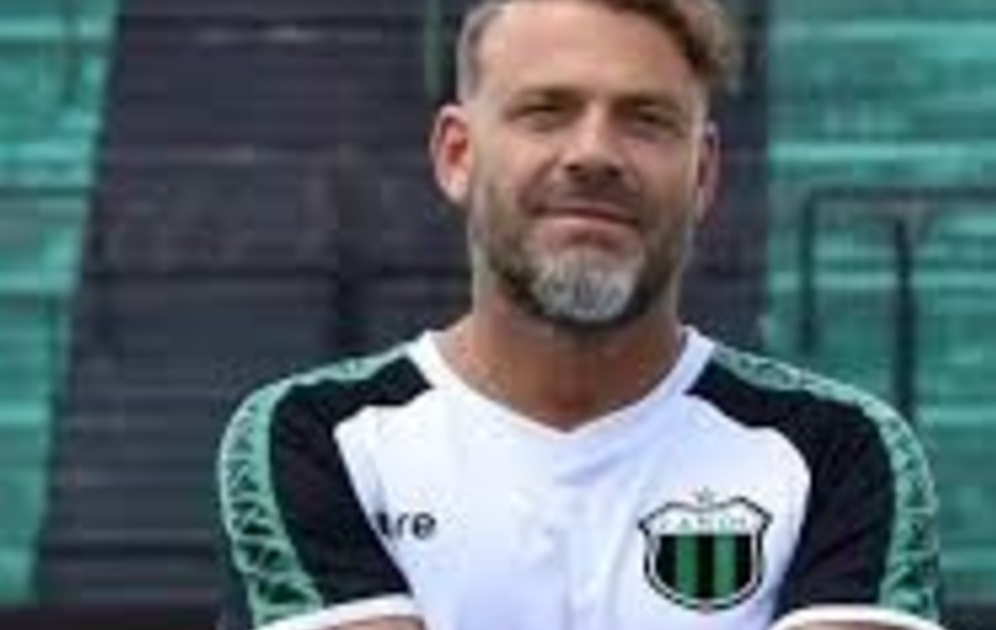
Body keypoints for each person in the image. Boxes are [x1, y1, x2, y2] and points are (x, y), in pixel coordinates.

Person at [214, 1, 945, 629]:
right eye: (546, 112)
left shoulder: (839, 451)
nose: (593, 153)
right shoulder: (318, 438)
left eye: (646, 120)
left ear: (702, 174)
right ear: (458, 155)